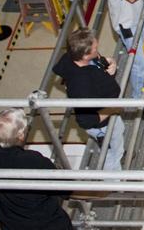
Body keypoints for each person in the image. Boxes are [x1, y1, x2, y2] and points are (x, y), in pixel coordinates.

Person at [52, 28, 125, 171]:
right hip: (102, 125)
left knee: (118, 133)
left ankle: (118, 152)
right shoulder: (81, 86)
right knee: (110, 154)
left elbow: (97, 61)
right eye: (95, 49)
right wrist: (113, 109)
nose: (97, 51)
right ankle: (114, 183)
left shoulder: (71, 57)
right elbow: (85, 120)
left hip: (108, 112)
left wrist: (109, 63)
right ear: (85, 55)